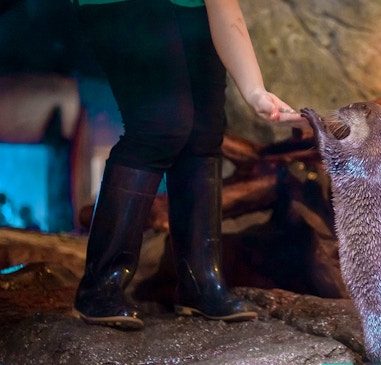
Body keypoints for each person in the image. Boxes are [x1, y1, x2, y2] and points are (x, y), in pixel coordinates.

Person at [71, 0, 306, 330]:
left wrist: (256, 92)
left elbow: (224, 7)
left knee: (203, 135)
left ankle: (201, 282)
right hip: (124, 5)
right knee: (160, 126)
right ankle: (101, 285)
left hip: (187, 8)